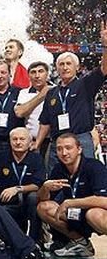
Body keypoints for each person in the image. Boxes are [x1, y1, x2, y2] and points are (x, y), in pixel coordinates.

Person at [35, 22, 107, 171]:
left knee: (85, 177)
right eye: (61, 64)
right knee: (57, 179)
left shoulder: (85, 84)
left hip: (80, 139)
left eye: (68, 63)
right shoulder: (51, 93)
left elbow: (104, 68)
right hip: (58, 141)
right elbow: (45, 122)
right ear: (57, 68)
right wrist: (37, 143)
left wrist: (105, 46)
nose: (65, 67)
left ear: (77, 67)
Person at [37, 133, 107, 258]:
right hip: (76, 215)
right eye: (59, 149)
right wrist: (45, 188)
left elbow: (104, 200)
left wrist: (71, 203)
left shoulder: (94, 166)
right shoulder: (59, 169)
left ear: (79, 149)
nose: (64, 153)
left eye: (68, 148)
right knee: (44, 207)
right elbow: (43, 199)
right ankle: (81, 243)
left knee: (94, 214)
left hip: (94, 214)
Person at [0, 127, 45, 241]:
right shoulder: (1, 157)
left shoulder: (36, 159)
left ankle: (35, 239)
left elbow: (38, 184)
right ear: (10, 142)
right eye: (15, 139)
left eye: (22, 139)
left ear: (30, 143)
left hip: (27, 201)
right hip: (7, 201)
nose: (18, 142)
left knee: (34, 196)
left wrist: (17, 189)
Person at [15, 61, 51, 158]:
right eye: (33, 72)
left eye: (41, 71)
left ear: (47, 74)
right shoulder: (24, 93)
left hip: (52, 141)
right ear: (29, 76)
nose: (37, 75)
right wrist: (42, 95)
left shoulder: (56, 90)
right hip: (30, 141)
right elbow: (19, 112)